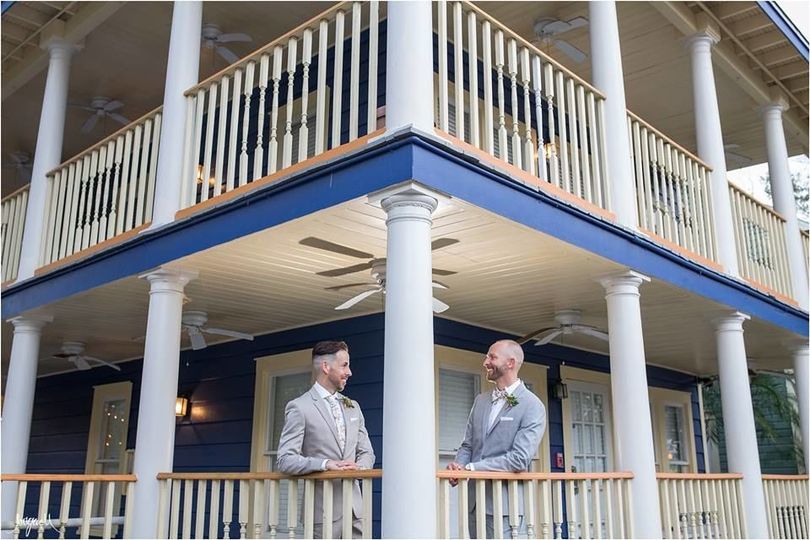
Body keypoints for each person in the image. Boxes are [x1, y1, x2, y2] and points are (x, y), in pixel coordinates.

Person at [447, 339, 546, 538]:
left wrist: (471, 468)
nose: (485, 362)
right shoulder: (481, 400)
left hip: (505, 507)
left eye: (492, 357)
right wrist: (459, 465)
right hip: (475, 503)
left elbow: (519, 459)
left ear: (510, 363)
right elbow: (468, 444)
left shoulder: (532, 405)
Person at [276, 341, 375, 539]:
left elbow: (367, 452)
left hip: (357, 511)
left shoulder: (353, 406)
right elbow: (285, 459)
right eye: (344, 365)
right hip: (322, 512)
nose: (349, 372)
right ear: (326, 367)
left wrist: (359, 468)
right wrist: (325, 464)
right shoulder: (299, 407)